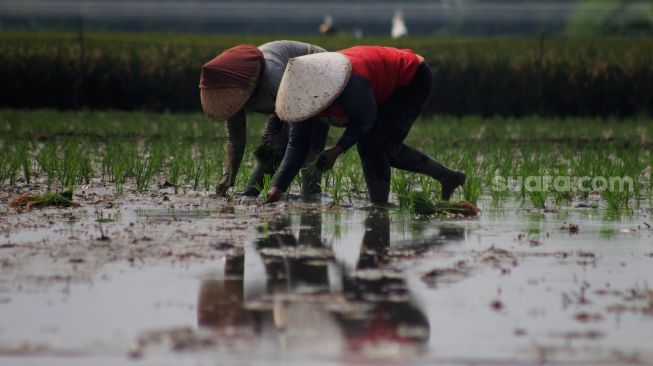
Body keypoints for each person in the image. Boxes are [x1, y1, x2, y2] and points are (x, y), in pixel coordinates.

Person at [266, 46, 466, 205]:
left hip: (412, 77)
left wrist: (337, 150)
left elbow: (365, 120)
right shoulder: (305, 98)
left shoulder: (350, 83)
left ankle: (379, 205)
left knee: (372, 145)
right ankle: (448, 177)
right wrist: (277, 188)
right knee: (383, 147)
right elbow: (297, 146)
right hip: (381, 85)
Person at [199, 41, 329, 197]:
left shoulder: (273, 79)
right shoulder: (232, 94)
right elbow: (235, 140)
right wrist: (228, 176)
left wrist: (278, 143)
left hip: (316, 77)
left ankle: (312, 201)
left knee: (308, 150)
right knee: (269, 147)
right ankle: (251, 195)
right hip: (284, 97)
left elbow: (300, 122)